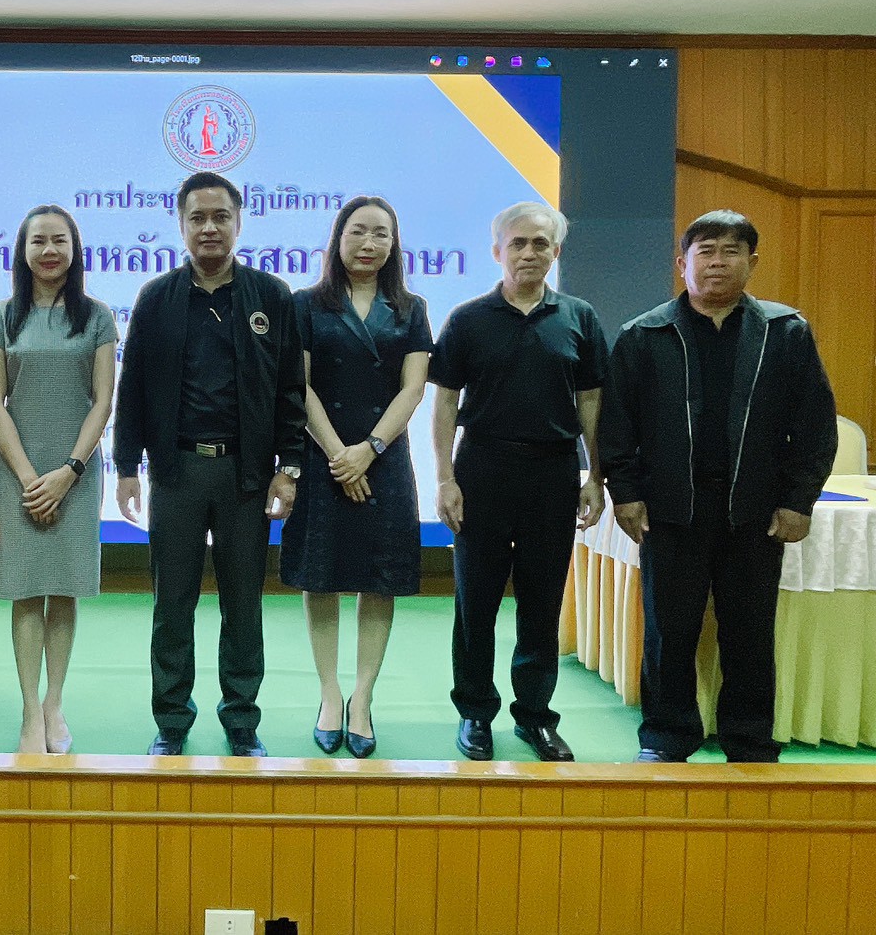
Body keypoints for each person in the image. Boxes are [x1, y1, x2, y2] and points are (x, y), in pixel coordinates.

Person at [600, 210, 837, 763]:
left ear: (752, 263)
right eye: (705, 251)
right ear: (681, 263)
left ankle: (749, 741)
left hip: (755, 511)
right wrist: (625, 493)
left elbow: (814, 424)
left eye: (731, 251)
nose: (717, 262)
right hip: (670, 510)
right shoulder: (644, 335)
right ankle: (666, 737)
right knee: (669, 632)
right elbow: (616, 425)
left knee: (749, 633)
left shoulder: (785, 332)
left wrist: (798, 500)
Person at [114, 170, 307, 758]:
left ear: (239, 222)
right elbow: (133, 386)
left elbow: (290, 389)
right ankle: (172, 720)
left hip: (246, 475)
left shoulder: (270, 296)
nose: (209, 228)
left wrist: (289, 468)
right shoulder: (156, 297)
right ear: (180, 225)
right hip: (176, 473)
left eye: (220, 216)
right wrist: (127, 467)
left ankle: (241, 719)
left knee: (243, 605)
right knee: (172, 604)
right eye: (197, 217)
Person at [430, 201, 609, 763]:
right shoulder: (466, 319)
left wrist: (596, 476)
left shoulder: (579, 317)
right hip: (481, 469)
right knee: (475, 602)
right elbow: (445, 403)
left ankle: (535, 716)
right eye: (518, 243)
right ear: (497, 251)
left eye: (540, 243)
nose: (529, 253)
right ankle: (475, 713)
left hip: (553, 473)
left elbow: (591, 402)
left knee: (541, 601)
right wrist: (444, 478)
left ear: (556, 251)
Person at [280, 196, 432, 759]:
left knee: (379, 578)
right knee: (321, 576)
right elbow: (299, 386)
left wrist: (368, 450)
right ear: (338, 237)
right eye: (358, 231)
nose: (369, 243)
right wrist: (339, 455)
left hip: (384, 458)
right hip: (323, 455)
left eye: (381, 234)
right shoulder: (305, 304)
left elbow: (413, 388)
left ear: (394, 243)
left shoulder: (410, 308)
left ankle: (362, 697)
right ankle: (329, 694)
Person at [0, 206, 116, 754]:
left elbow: (102, 402)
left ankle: (54, 703)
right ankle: (28, 709)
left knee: (63, 589)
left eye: (60, 240)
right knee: (25, 592)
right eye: (39, 241)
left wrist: (69, 472)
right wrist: (29, 477)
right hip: (19, 471)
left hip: (76, 473)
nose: (50, 250)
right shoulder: (1, 316)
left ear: (75, 249)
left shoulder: (97, 316)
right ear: (23, 250)